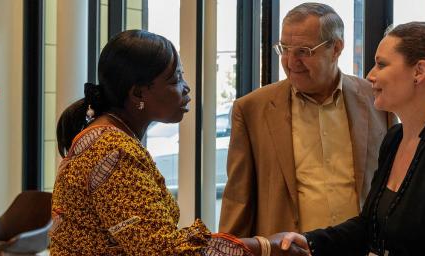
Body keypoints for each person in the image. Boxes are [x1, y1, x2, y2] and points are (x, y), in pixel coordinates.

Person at [275, 21, 425, 255]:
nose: (371, 75)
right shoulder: (395, 139)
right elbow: (368, 226)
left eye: (381, 64)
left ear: (419, 71)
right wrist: (310, 241)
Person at [49, 30, 307, 256]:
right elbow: (166, 252)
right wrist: (264, 246)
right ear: (138, 92)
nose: (186, 89)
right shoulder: (113, 151)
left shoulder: (109, 136)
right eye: (175, 80)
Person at [219, 2, 390, 238]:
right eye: (284, 49)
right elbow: (238, 200)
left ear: (336, 48)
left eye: (303, 51)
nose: (290, 62)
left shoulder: (377, 100)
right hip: (288, 251)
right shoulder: (252, 110)